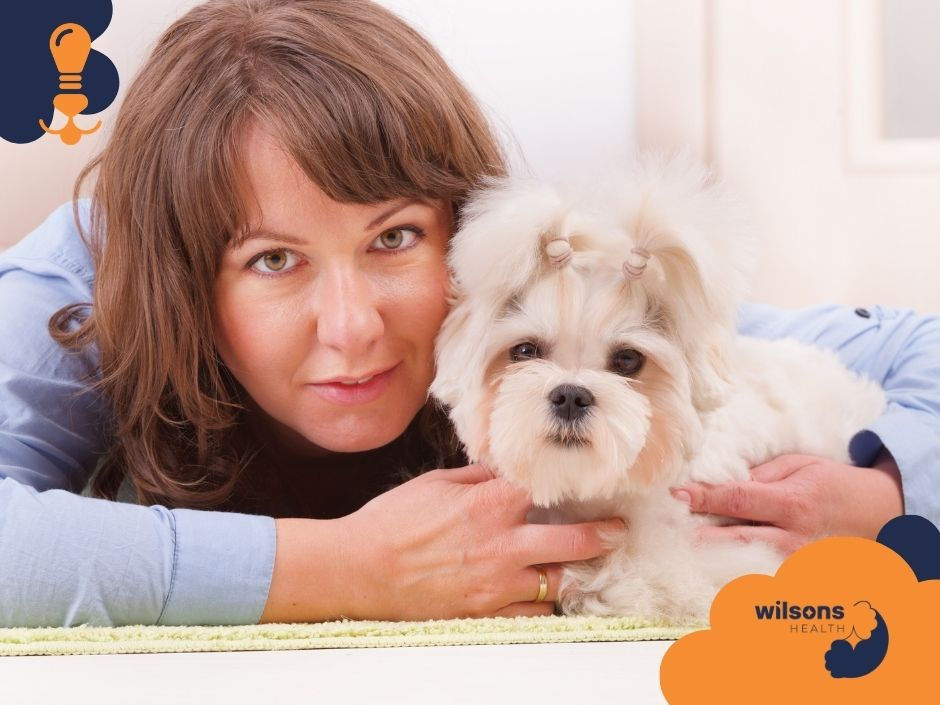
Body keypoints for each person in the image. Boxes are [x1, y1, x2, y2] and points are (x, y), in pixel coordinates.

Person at [0, 0, 937, 628]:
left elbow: (912, 348)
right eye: (274, 260)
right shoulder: (87, 284)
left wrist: (890, 495)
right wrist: (342, 569)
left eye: (394, 239)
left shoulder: (521, 261)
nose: (353, 324)